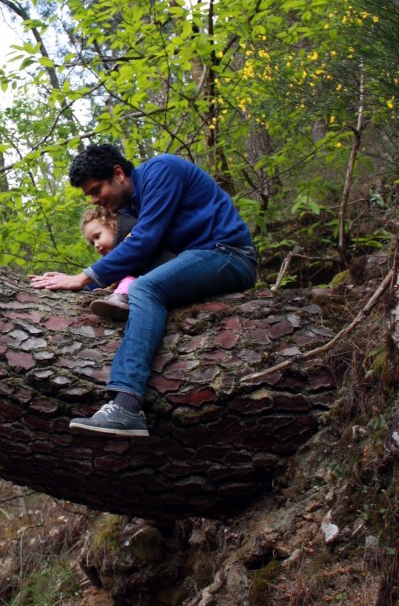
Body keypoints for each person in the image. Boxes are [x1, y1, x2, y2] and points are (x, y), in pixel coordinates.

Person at [29, 144, 257, 436]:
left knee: (146, 290)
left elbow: (145, 242)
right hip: (199, 260)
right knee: (142, 285)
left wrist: (83, 277)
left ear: (119, 173)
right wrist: (88, 289)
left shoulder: (161, 171)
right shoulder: (132, 207)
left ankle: (126, 406)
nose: (97, 200)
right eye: (90, 196)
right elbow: (139, 256)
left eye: (97, 190)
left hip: (228, 255)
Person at [80, 204, 137, 322]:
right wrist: (110, 288)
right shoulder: (114, 260)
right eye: (92, 243)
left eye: (97, 236)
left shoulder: (131, 241)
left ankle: (121, 299)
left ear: (113, 226)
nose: (96, 245)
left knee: (129, 279)